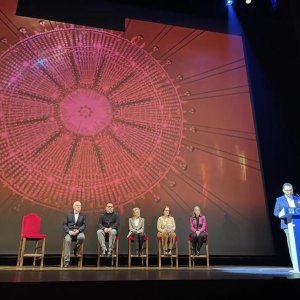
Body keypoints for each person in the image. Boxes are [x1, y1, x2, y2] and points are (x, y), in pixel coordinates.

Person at [274, 182, 300, 269]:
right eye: (287, 190)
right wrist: (285, 214)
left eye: (291, 190)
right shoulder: (279, 200)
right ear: (283, 191)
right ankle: (296, 266)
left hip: (298, 224)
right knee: (292, 245)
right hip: (287, 225)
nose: (289, 192)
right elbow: (276, 212)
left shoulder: (297, 198)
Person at [63, 201, 86, 268]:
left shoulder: (83, 215)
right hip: (69, 232)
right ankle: (66, 261)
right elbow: (64, 225)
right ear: (73, 206)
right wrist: (69, 231)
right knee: (67, 240)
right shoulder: (68, 214)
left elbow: (84, 225)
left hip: (78, 231)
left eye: (80, 206)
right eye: (77, 205)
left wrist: (78, 230)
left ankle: (76, 249)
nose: (79, 207)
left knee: (82, 237)